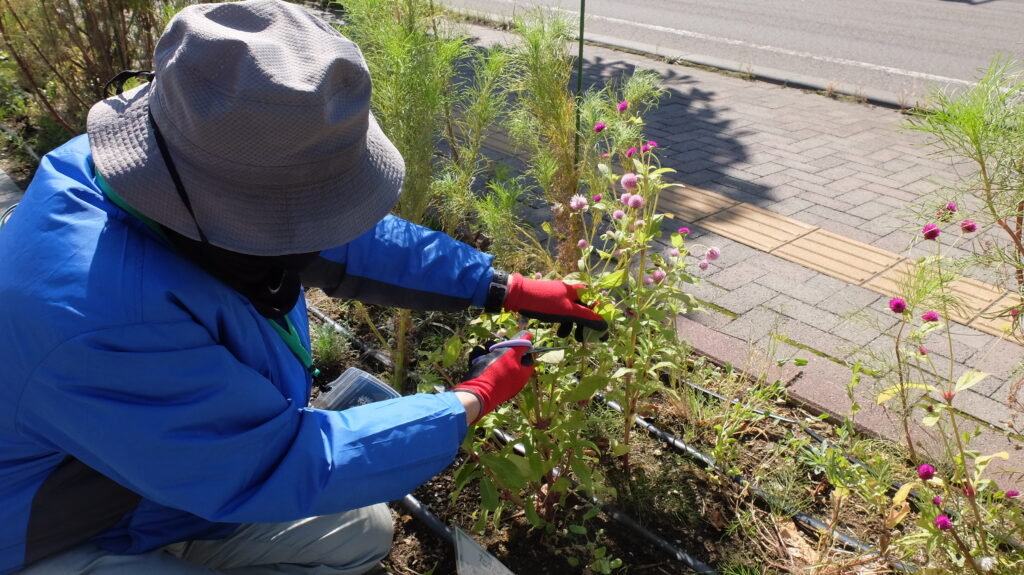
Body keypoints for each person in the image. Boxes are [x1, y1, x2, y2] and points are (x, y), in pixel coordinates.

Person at [0, 1, 607, 573]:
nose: (310, 231)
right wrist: (469, 399)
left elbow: (339, 236)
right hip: (45, 528)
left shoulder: (165, 163)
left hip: (147, 469)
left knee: (361, 532)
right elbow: (276, 460)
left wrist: (502, 286)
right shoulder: (100, 317)